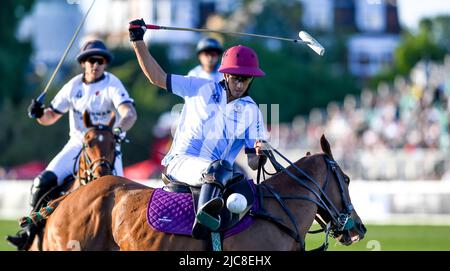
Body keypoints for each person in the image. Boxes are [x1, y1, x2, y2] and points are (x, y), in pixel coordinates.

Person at [129, 19, 268, 237]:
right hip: (182, 162)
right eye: (235, 78)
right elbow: (156, 77)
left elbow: (253, 161)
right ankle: (204, 223)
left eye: (246, 79)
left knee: (237, 179)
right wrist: (137, 41)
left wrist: (261, 153)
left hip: (221, 176)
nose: (240, 85)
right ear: (225, 74)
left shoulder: (252, 111)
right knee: (219, 167)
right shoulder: (199, 86)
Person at [7, 39, 137, 249]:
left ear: (105, 63)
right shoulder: (74, 86)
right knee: (41, 182)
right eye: (90, 60)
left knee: (125, 194)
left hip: (107, 146)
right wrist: (39, 113)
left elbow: (129, 113)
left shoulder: (112, 83)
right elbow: (50, 117)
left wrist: (118, 129)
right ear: (83, 63)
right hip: (77, 144)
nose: (95, 64)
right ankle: (30, 231)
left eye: (100, 60)